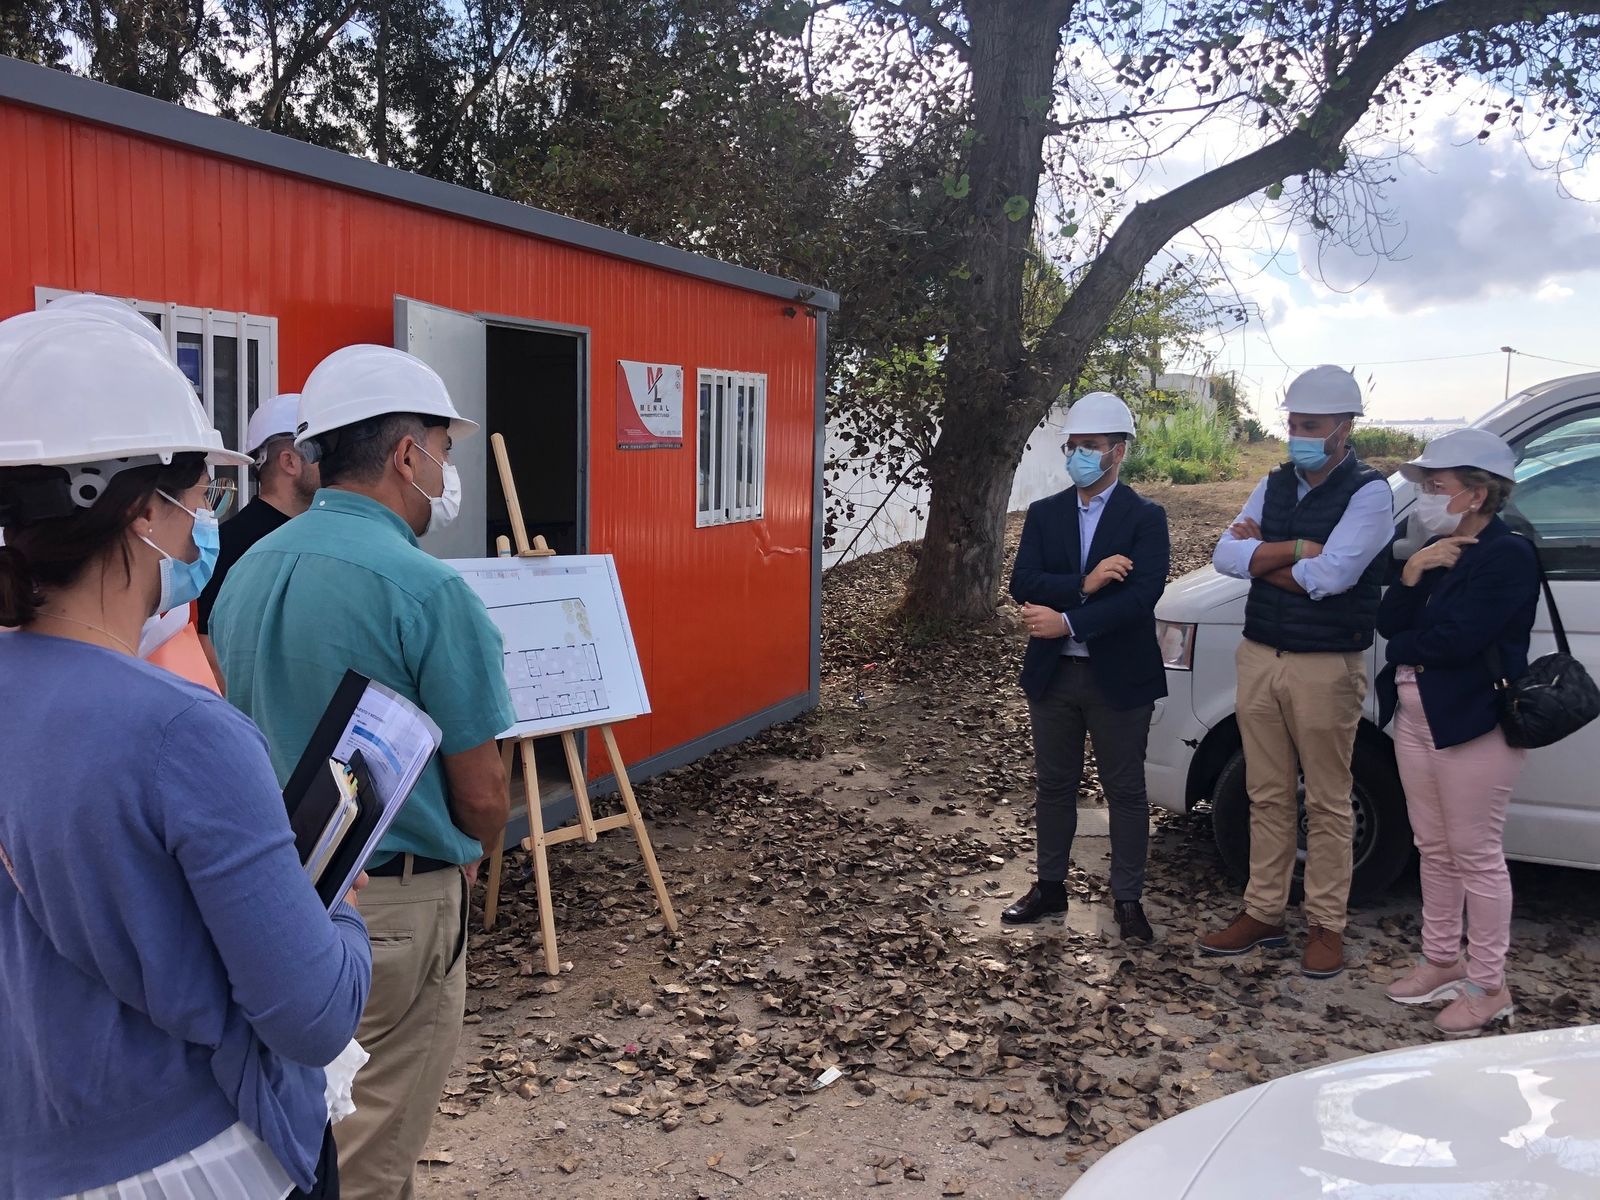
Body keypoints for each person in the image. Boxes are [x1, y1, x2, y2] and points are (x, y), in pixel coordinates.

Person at [0, 308, 370, 1198]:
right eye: (201, 500)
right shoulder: (183, 732)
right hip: (189, 1155)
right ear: (140, 514)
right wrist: (340, 908)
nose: (207, 526)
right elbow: (312, 1016)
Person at [211, 344, 515, 1200]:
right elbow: (483, 790)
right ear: (405, 454)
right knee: (370, 1153)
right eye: (444, 449)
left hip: (273, 896)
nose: (446, 469)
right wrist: (473, 858)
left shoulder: (245, 571)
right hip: (395, 903)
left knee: (295, 1138)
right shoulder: (429, 591)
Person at [1201, 365, 1394, 977]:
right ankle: (1263, 912)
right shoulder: (1274, 482)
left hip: (1325, 666)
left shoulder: (1369, 493)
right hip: (1261, 656)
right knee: (1267, 792)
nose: (1296, 436)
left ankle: (1325, 926)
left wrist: (1263, 557)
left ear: (1344, 429)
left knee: (1330, 800)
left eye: (1309, 426)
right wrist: (1297, 550)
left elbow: (1335, 578)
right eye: (1292, 424)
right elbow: (1221, 555)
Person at [1375, 429, 1537, 1035]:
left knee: (1476, 855)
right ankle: (1442, 958)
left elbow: (1453, 642)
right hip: (1418, 718)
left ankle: (1489, 984)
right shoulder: (1441, 548)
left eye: (1435, 486)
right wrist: (1413, 570)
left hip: (1474, 722)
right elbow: (1389, 620)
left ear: (1474, 493)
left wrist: (1410, 642)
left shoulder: (1507, 554)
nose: (1425, 495)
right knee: (1434, 848)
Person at [1004, 392, 1171, 942]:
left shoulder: (1145, 517)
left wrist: (1068, 622)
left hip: (1117, 676)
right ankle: (1050, 886)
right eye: (1073, 446)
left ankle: (1126, 899)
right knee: (1053, 785)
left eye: (1092, 447)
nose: (1079, 456)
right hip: (1055, 677)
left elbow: (1141, 597)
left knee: (1124, 789)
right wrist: (1086, 583)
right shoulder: (1047, 513)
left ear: (1118, 452)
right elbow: (1023, 582)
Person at [197, 391, 319, 684]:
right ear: (289, 461)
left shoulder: (318, 538)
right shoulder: (227, 545)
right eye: (320, 451)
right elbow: (210, 652)